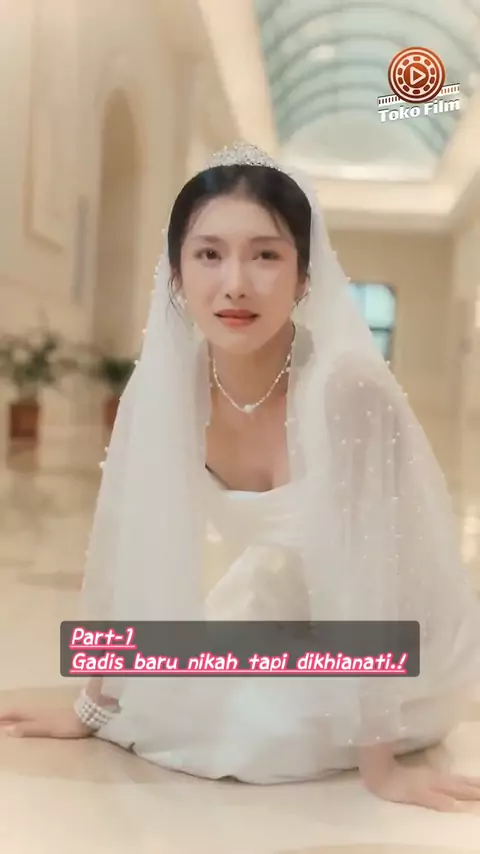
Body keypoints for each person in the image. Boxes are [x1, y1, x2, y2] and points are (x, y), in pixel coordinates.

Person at [2, 142, 480, 811]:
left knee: (254, 733)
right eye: (209, 254)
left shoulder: (345, 388)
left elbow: (370, 575)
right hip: (281, 605)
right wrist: (93, 707)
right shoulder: (168, 386)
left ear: (304, 276)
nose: (235, 283)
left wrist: (381, 763)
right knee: (167, 702)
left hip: (394, 635)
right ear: (175, 273)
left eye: (265, 255)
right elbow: (121, 548)